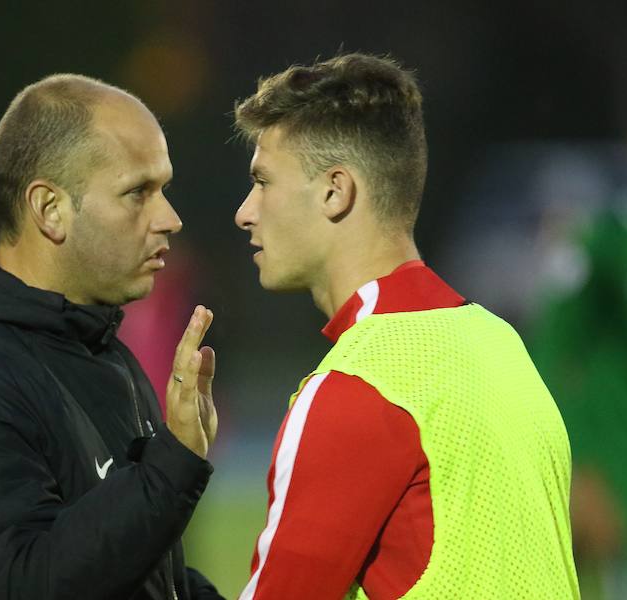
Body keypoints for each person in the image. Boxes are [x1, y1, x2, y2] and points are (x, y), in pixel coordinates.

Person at [231, 53, 579, 599]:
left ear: (335, 191)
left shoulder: (358, 387)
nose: (245, 211)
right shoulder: (502, 345)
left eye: (262, 181)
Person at [0, 74, 222, 600]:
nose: (169, 218)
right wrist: (170, 466)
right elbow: (20, 583)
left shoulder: (99, 351)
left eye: (164, 190)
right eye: (138, 193)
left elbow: (147, 577)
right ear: (50, 209)